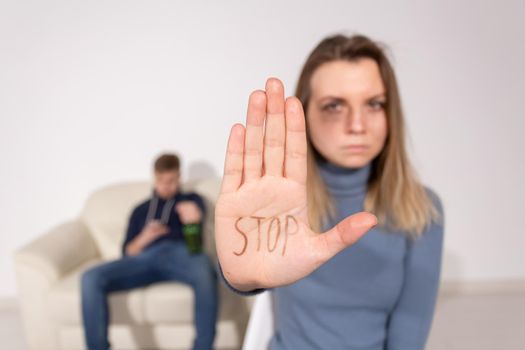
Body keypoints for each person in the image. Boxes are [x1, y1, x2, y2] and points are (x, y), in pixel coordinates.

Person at [215, 34, 445, 350]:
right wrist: (242, 279)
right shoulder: (280, 203)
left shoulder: (422, 209)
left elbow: (410, 328)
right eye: (334, 105)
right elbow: (243, 265)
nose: (357, 125)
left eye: (374, 104)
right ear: (305, 113)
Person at [81, 153, 218, 350]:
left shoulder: (192, 200)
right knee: (90, 277)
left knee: (204, 267)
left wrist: (193, 222)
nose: (166, 186)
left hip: (181, 255)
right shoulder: (141, 210)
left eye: (171, 180)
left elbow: (196, 246)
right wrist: (146, 237)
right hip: (144, 258)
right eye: (161, 180)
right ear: (154, 177)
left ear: (179, 176)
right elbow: (128, 252)